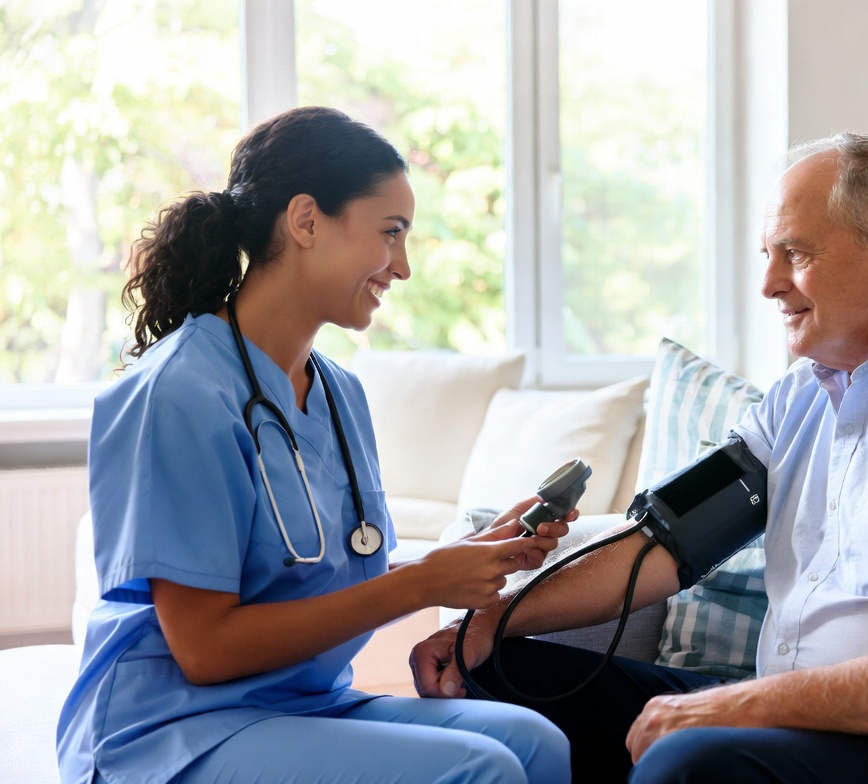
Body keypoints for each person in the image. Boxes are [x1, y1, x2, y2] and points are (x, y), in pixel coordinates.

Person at [412, 133, 868, 783]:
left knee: (692, 761)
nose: (770, 283)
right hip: (803, 717)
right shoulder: (800, 398)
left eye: (796, 254)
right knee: (501, 679)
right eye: (768, 256)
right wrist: (492, 623)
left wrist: (732, 708)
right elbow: (660, 549)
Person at [56, 106, 573, 784]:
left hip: (301, 704)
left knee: (537, 743)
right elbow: (205, 649)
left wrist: (463, 561)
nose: (404, 266)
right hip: (171, 729)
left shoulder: (339, 394)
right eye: (391, 233)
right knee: (481, 770)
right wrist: (421, 585)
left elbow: (321, 578)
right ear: (305, 221)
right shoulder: (178, 393)